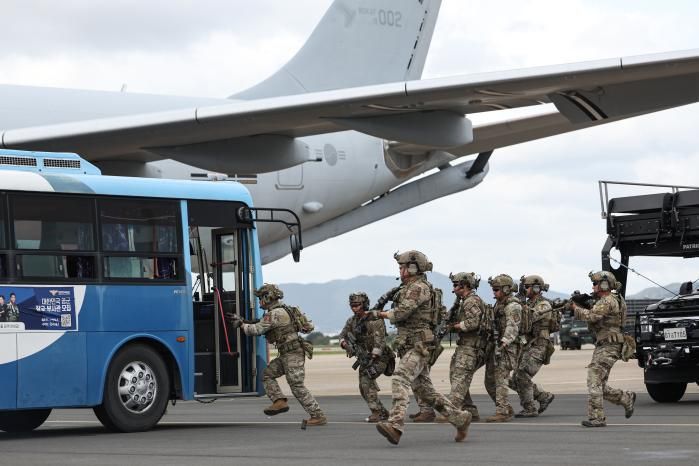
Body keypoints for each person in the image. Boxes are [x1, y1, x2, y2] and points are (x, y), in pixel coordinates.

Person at [373, 250, 471, 445]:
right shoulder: (409, 287)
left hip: (419, 346)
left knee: (400, 378)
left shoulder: (418, 287)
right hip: (411, 344)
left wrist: (379, 314)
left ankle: (395, 425)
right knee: (425, 390)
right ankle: (459, 419)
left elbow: (401, 313)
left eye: (402, 266)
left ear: (412, 268)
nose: (400, 270)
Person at [227, 283, 327, 426]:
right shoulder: (287, 310)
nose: (259, 301)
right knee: (267, 374)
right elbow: (308, 327)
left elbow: (255, 330)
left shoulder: (274, 314)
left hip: (292, 354)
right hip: (289, 353)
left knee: (297, 386)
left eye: (261, 298)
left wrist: (241, 325)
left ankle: (318, 416)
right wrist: (244, 321)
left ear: (268, 298)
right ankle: (279, 401)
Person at [569, 271, 636, 427]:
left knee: (594, 378)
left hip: (609, 345)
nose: (593, 287)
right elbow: (596, 313)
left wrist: (574, 308)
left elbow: (592, 316)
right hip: (606, 345)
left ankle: (597, 417)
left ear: (605, 285)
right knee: (599, 385)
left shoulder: (607, 300)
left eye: (595, 283)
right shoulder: (611, 299)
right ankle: (625, 398)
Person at [339, 292, 394, 422]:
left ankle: (376, 412)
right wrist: (345, 344)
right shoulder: (352, 321)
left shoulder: (375, 319)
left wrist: (373, 357)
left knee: (366, 382)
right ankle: (382, 412)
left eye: (357, 305)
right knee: (363, 387)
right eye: (352, 305)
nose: (354, 308)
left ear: (364, 305)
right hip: (364, 358)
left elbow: (380, 342)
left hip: (381, 358)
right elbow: (342, 335)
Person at [510, 275, 556, 417]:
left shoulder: (544, 305)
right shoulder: (528, 303)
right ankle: (543, 396)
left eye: (527, 287)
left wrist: (520, 304)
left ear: (536, 288)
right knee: (513, 379)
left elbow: (530, 317)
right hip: (527, 346)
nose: (525, 290)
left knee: (522, 375)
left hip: (539, 346)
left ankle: (529, 408)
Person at [484, 274, 522, 422]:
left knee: (501, 380)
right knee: (490, 381)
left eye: (496, 289)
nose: (494, 292)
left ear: (506, 289)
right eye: (493, 289)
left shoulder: (513, 306)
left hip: (507, 348)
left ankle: (502, 411)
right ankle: (506, 408)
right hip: (497, 346)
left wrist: (504, 343)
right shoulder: (499, 304)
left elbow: (513, 327)